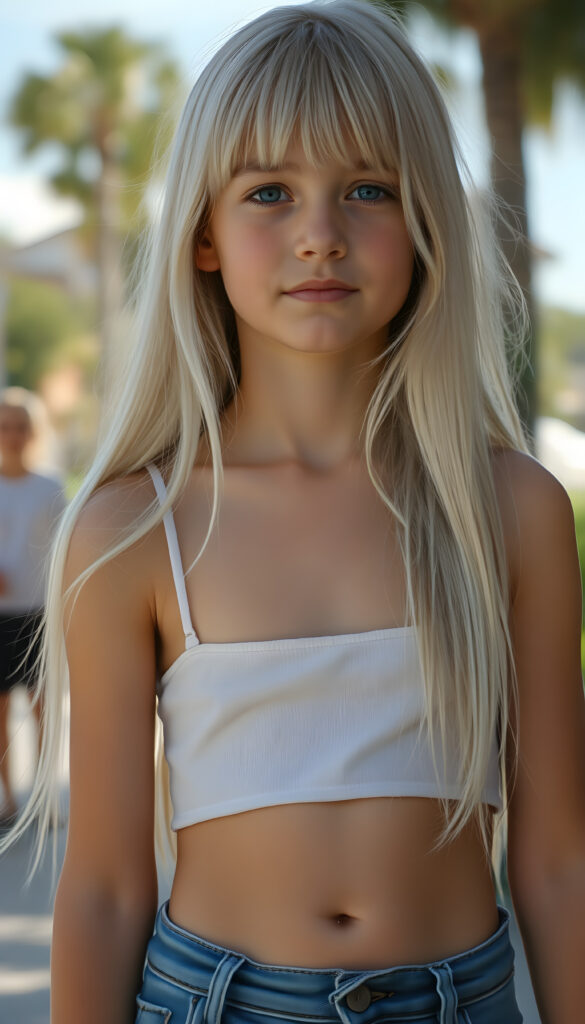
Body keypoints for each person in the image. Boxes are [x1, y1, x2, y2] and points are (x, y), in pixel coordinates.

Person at [2, 1, 584, 1021]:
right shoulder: (132, 529)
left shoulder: (510, 509)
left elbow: (558, 860)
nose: (320, 235)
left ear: (427, 224)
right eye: (269, 191)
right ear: (204, 237)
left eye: (369, 189)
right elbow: (101, 889)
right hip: (212, 1000)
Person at [0, 388, 66, 825]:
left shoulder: (50, 488)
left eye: (21, 426)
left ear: (34, 432)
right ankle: (8, 801)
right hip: (0, 617)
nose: (12, 434)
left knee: (44, 710)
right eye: (4, 426)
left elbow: (65, 550)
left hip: (40, 615)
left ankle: (43, 802)